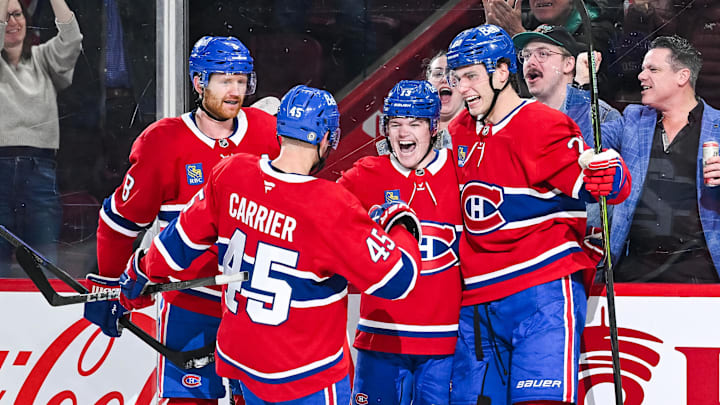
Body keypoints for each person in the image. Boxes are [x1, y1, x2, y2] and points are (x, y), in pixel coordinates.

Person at [113, 85, 423, 404]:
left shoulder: (231, 172)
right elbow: (398, 280)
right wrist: (399, 222)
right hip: (307, 375)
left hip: (243, 366)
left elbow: (168, 254)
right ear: (327, 138)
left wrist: (137, 275)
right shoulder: (332, 206)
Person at [84, 36, 280, 405]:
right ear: (199, 82)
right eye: (225, 80)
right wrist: (109, 283)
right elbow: (118, 223)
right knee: (187, 401)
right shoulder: (164, 141)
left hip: (252, 305)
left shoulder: (266, 134)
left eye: (241, 80)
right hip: (188, 301)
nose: (235, 91)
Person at [444, 24, 631, 405]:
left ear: (500, 72)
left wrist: (609, 173)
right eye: (457, 78)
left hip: (539, 293)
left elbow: (609, 187)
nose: (462, 88)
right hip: (477, 300)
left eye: (471, 76)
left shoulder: (544, 125)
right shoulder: (461, 128)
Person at [338, 80, 462, 405]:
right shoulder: (365, 175)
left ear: (433, 127)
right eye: (396, 123)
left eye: (415, 123)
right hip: (380, 341)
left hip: (444, 344)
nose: (404, 133)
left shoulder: (459, 173)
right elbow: (318, 213)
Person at [579, 35, 720, 283]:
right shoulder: (633, 119)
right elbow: (582, 142)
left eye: (653, 69)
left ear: (682, 77)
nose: (641, 76)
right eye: (643, 69)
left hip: (701, 274)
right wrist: (583, 87)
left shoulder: (718, 127)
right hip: (635, 271)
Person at [512, 24, 621, 231]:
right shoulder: (516, 118)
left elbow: (586, 169)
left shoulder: (604, 116)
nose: (530, 62)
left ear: (569, 63)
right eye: (525, 56)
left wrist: (581, 87)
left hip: (581, 248)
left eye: (542, 54)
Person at [0, 0, 82, 275]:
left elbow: (71, 38)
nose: (12, 21)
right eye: (5, 15)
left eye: (17, 14)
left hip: (39, 169)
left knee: (45, 263)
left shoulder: (43, 59)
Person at [482, 0, 620, 99]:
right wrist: (492, 37)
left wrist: (519, 33)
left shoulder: (598, 28)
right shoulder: (523, 20)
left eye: (542, 54)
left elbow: (586, 70)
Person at [426, 51, 464, 134]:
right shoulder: (412, 133)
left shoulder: (480, 129)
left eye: (452, 74)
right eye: (438, 74)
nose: (444, 79)